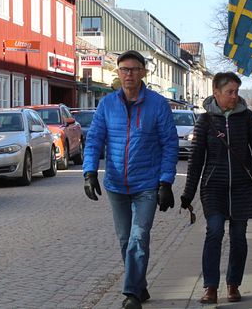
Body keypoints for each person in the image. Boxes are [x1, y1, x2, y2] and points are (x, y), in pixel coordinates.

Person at [82, 50, 179, 309]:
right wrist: (89, 172)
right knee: (125, 239)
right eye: (124, 69)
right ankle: (139, 285)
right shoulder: (107, 104)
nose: (129, 74)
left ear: (144, 73)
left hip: (146, 184)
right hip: (115, 184)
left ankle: (131, 294)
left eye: (134, 69)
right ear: (118, 72)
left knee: (138, 236)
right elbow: (94, 140)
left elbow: (169, 145)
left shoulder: (157, 105)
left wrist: (165, 182)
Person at [180, 72, 252, 304]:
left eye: (237, 91)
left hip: (242, 187)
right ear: (216, 93)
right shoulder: (205, 121)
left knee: (238, 237)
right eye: (230, 92)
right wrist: (188, 193)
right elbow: (196, 160)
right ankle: (211, 287)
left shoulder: (246, 118)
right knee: (214, 232)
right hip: (213, 187)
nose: (235, 96)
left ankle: (233, 284)